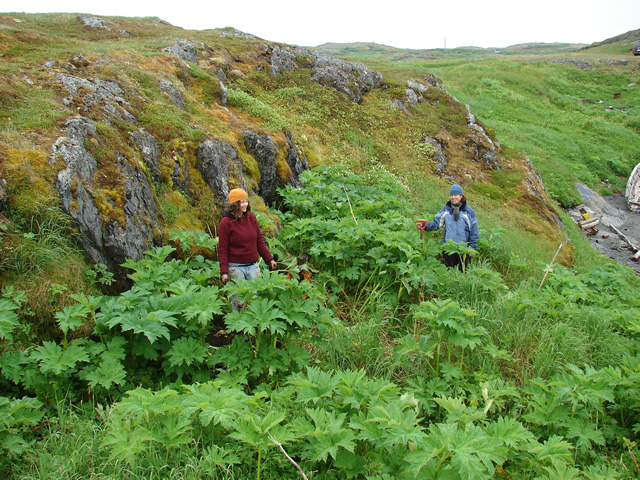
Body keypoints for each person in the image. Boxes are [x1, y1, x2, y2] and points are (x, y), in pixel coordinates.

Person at [218, 188, 277, 308]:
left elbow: (259, 242)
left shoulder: (252, 218)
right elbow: (222, 249)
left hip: (253, 266)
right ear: (235, 204)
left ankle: (255, 326)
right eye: (242, 202)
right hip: (235, 268)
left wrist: (269, 259)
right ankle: (239, 326)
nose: (245, 204)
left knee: (256, 300)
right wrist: (224, 272)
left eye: (246, 201)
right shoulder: (225, 223)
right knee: (239, 302)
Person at [417, 183, 479, 272]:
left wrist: (472, 247)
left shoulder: (468, 212)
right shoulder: (446, 210)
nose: (453, 197)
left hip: (463, 248)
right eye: (451, 195)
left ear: (461, 196)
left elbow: (474, 230)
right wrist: (424, 226)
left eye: (455, 195)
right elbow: (436, 224)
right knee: (448, 271)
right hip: (449, 248)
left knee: (463, 273)